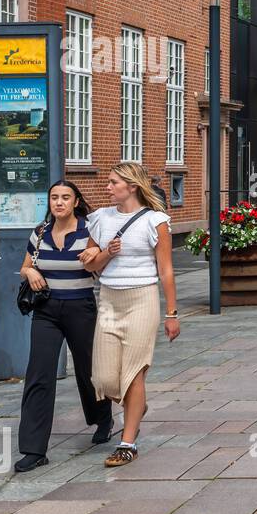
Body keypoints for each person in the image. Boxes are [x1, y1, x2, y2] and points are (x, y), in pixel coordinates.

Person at [80, 162, 180, 468]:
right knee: (104, 378)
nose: (107, 187)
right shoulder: (99, 219)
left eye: (113, 183)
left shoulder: (156, 221)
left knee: (134, 372)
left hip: (142, 299)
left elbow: (166, 270)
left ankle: (127, 441)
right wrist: (106, 253)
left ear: (132, 186)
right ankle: (139, 406)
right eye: (108, 182)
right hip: (109, 300)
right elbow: (90, 266)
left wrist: (172, 313)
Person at [13, 181, 113, 473]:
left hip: (80, 308)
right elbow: (25, 266)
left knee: (88, 370)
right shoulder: (40, 232)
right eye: (54, 197)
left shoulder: (89, 231)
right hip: (46, 311)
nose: (59, 202)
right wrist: (30, 270)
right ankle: (34, 449)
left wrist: (95, 256)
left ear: (75, 201)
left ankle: (102, 418)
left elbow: (99, 266)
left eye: (65, 197)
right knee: (39, 374)